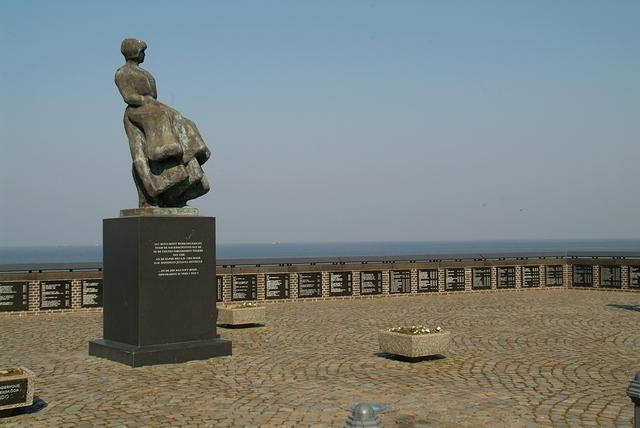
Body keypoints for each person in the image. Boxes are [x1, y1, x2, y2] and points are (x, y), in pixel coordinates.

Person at [115, 38, 211, 208]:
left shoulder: (145, 73)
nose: (144, 55)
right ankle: (162, 149)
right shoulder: (122, 72)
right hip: (138, 111)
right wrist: (147, 101)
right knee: (160, 121)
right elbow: (128, 97)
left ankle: (189, 151)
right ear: (135, 52)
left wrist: (156, 105)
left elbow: (155, 96)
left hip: (152, 107)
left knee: (182, 119)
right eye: (142, 51)